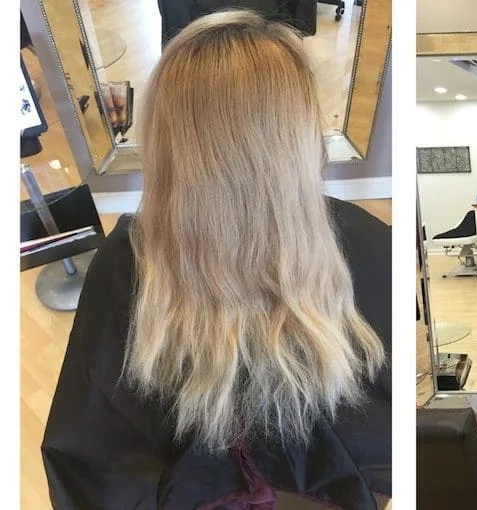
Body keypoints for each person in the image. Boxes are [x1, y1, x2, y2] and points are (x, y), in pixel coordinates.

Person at [41, 11, 391, 509]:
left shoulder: (122, 263)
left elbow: (91, 459)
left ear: (167, 139)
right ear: (299, 137)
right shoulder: (368, 241)